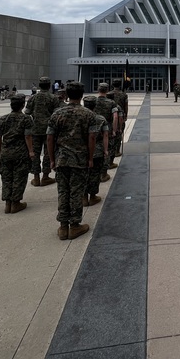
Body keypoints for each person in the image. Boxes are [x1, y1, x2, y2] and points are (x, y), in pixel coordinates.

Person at [47, 81, 100, 241]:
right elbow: (91, 137)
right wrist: (90, 158)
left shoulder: (57, 114)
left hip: (61, 158)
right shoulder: (88, 115)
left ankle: (63, 226)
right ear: (82, 95)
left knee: (63, 191)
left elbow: (50, 138)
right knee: (76, 192)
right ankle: (75, 225)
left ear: (67, 95)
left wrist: (51, 159)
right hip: (79, 159)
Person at [0, 94, 34, 214]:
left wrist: (0, 151)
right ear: (23, 105)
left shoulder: (2, 119)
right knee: (19, 177)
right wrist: (31, 151)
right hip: (20, 153)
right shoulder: (26, 119)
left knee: (6, 178)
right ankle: (15, 203)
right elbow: (27, 136)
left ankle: (7, 203)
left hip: (6, 153)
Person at [25, 76, 61, 187]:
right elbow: (56, 114)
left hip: (35, 129)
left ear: (39, 86)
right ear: (49, 86)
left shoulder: (33, 98)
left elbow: (27, 113)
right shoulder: (53, 98)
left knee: (34, 153)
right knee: (48, 153)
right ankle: (45, 176)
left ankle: (36, 177)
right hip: (49, 130)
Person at [82, 95, 110, 207]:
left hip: (81, 150)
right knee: (95, 174)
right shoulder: (100, 119)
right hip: (97, 150)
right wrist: (106, 149)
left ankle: (84, 197)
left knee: (83, 173)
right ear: (95, 105)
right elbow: (105, 135)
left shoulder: (79, 117)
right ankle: (93, 196)